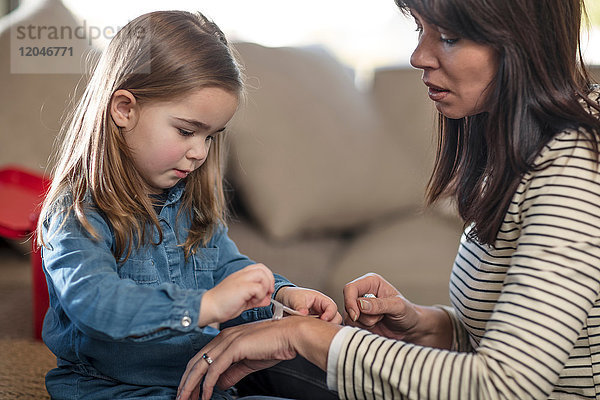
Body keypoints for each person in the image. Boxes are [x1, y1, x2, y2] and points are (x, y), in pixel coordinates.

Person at [177, 0, 600, 399]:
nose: (419, 56)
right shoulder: (524, 144)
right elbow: (526, 347)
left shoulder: (575, 165)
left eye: (449, 38)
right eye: (420, 29)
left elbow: (505, 387)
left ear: (522, 39)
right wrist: (425, 325)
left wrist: (305, 336)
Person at [36, 10, 341, 400]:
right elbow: (95, 303)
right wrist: (206, 306)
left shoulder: (187, 204)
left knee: (329, 376)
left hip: (199, 374)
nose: (199, 152)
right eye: (186, 131)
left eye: (211, 136)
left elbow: (226, 267)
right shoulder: (77, 211)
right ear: (124, 109)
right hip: (113, 389)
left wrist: (281, 296)